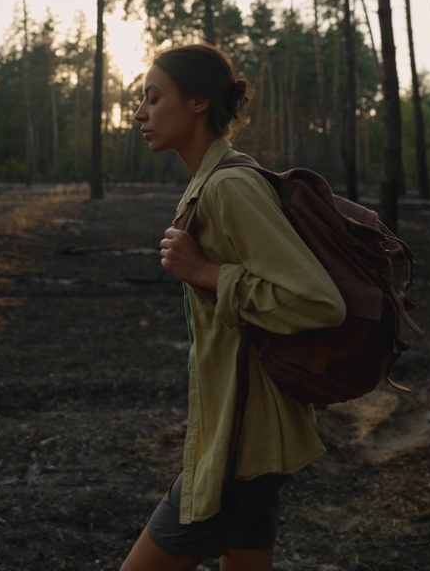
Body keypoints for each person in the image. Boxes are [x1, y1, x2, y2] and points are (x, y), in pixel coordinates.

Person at [120, 44, 346, 571]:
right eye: (141, 100)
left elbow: (318, 302)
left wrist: (204, 273)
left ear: (197, 102)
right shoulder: (211, 185)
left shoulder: (230, 187)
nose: (140, 113)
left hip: (239, 442)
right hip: (249, 434)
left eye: (154, 99)